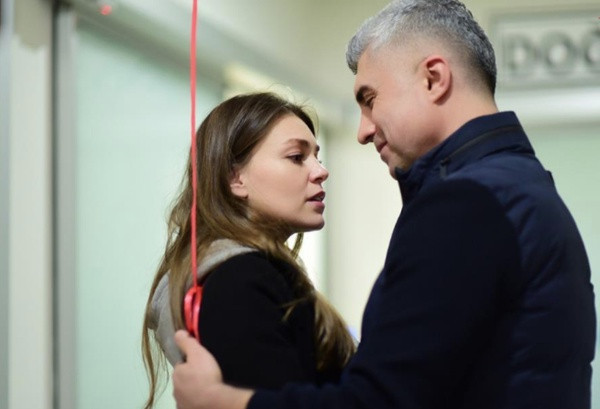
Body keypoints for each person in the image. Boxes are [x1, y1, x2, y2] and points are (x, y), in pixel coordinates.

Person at [171, 1, 596, 408]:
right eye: (296, 156)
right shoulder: (519, 187)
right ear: (234, 177)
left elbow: (381, 402)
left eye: (370, 99)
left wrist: (221, 403)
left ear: (433, 79)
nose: (362, 131)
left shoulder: (468, 205)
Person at [141, 92, 356, 409]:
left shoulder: (241, 274)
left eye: (317, 157)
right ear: (235, 178)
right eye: (297, 157)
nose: (321, 171)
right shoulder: (239, 280)